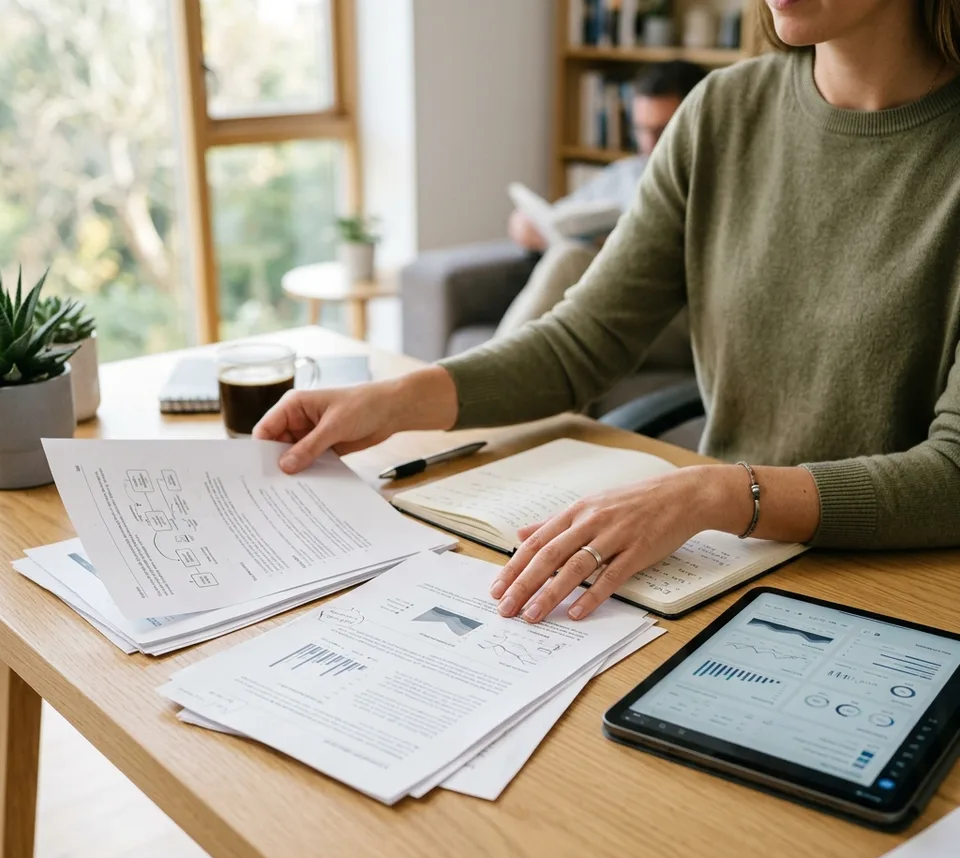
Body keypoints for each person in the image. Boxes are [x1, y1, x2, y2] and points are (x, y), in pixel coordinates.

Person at [257, 0, 960, 626]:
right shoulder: (722, 111)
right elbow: (583, 340)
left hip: (894, 585)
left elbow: (953, 475)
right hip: (716, 570)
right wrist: (395, 399)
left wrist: (716, 491)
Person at [497, 60, 707, 339]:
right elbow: (556, 217)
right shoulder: (625, 174)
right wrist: (527, 226)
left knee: (572, 259)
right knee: (569, 257)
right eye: (640, 129)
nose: (647, 144)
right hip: (605, 300)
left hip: (670, 317)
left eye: (660, 131)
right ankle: (490, 367)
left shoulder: (711, 185)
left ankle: (476, 372)